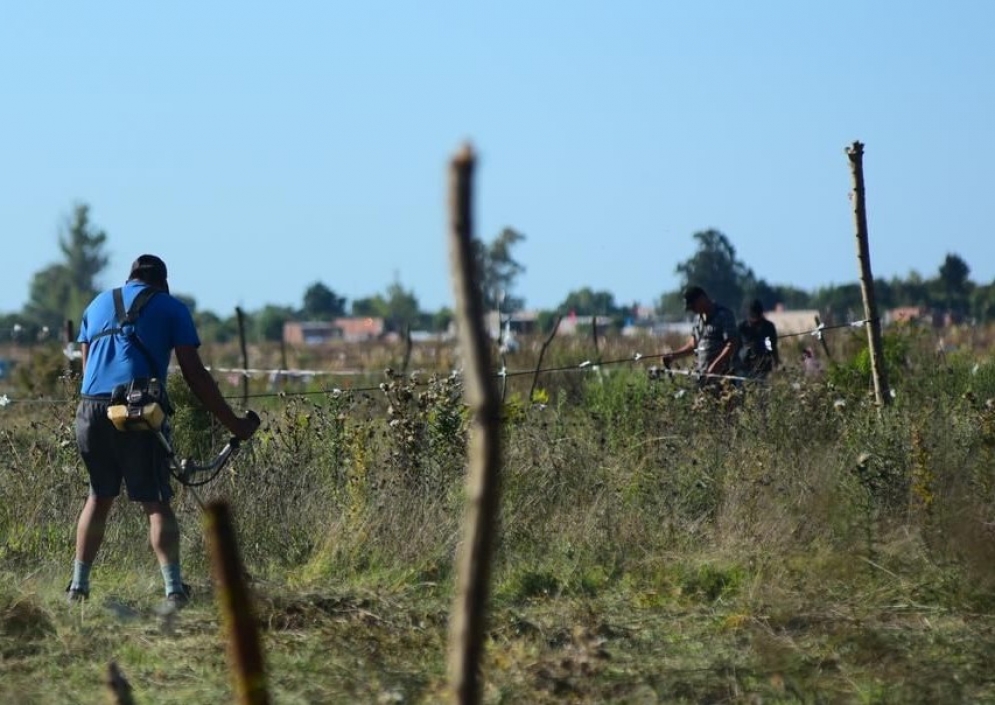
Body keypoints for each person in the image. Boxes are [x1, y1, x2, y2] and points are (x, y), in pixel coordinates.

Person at [67, 254, 259, 607]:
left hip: (90, 408)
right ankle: (174, 591)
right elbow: (194, 374)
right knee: (155, 501)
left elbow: (86, 361)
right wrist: (234, 424)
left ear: (130, 280)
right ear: (162, 283)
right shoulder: (171, 308)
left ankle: (78, 587)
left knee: (98, 495)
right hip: (137, 409)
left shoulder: (96, 304)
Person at [663, 285, 741, 387]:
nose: (693, 310)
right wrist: (673, 356)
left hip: (725, 378)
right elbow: (693, 345)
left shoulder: (724, 315)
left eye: (693, 306)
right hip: (704, 378)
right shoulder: (698, 320)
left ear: (701, 299)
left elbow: (731, 344)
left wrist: (715, 366)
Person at [738, 299, 780, 379]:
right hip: (744, 366)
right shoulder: (742, 327)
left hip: (763, 367)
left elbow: (772, 347)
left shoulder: (769, 327)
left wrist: (775, 362)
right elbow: (736, 346)